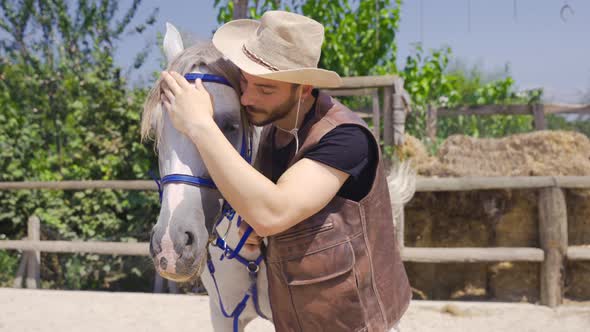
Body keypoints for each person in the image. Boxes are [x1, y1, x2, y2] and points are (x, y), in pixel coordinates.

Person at [160, 10, 410, 332]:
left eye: (265, 89)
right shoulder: (273, 132)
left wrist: (198, 124)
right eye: (245, 82)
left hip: (354, 324)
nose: (248, 98)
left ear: (304, 88)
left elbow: (273, 212)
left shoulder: (346, 139)